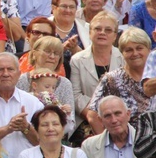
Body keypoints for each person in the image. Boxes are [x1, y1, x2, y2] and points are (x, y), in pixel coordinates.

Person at [69, 11, 123, 140]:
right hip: (87, 117)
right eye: (97, 29)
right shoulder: (77, 60)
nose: (102, 32)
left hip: (120, 116)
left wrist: (113, 116)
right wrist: (94, 116)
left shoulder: (123, 58)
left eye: (108, 30)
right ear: (90, 32)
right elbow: (76, 95)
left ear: (115, 36)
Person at [89, 27, 151, 119]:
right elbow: (92, 116)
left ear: (149, 50)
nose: (135, 53)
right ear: (122, 53)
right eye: (129, 50)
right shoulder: (112, 79)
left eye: (139, 48)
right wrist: (108, 134)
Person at [16, 37, 74, 117]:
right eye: (47, 51)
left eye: (56, 53)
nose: (52, 56)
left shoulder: (65, 84)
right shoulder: (21, 80)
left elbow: (70, 122)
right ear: (34, 54)